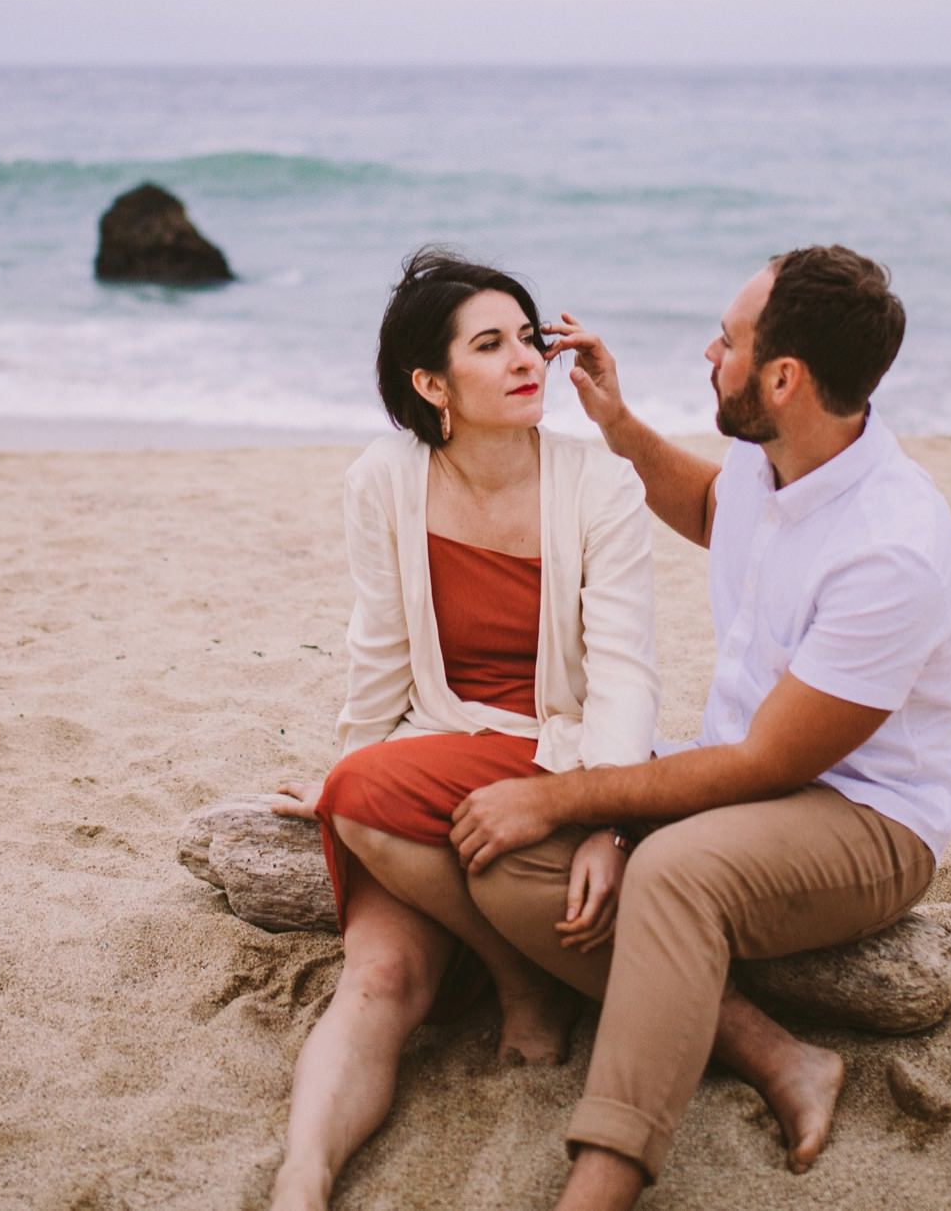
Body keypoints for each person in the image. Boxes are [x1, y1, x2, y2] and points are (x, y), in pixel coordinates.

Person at [450, 245, 951, 1211]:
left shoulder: (891, 549)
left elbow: (767, 763)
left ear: (784, 376)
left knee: (667, 871)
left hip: (865, 816)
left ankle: (604, 1175)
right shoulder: (767, 452)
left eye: (727, 343)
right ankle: (775, 1053)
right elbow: (703, 506)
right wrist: (615, 424)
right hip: (736, 774)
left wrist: (570, 797)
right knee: (508, 860)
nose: (708, 353)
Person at [264, 247, 661, 1211]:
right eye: (491, 345)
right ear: (432, 383)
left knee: (367, 799)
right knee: (380, 974)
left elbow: (624, 677)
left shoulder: (599, 486)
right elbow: (381, 654)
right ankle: (300, 1182)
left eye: (528, 338)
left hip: (558, 755)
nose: (527, 359)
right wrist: (349, 773)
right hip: (434, 747)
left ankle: (517, 979)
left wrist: (607, 821)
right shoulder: (385, 480)